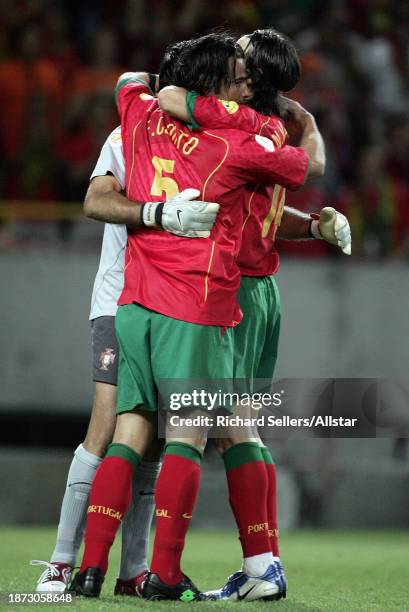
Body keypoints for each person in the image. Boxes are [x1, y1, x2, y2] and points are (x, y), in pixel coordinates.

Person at [70, 32, 315, 601]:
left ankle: (87, 568)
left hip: (134, 303)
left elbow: (128, 82)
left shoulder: (136, 119)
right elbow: (303, 166)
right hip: (203, 300)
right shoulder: (235, 142)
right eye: (235, 73)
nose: (244, 81)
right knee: (203, 431)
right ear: (214, 90)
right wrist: (299, 127)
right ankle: (176, 573)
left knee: (130, 431)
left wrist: (167, 89)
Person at [157, 28, 350, 601]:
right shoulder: (272, 131)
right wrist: (307, 123)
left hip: (228, 287)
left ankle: (173, 572)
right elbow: (301, 173)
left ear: (254, 75)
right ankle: (263, 566)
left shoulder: (230, 120)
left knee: (195, 424)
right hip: (262, 291)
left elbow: (167, 94)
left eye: (241, 55)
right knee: (239, 425)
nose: (232, 60)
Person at [31, 133, 220, 594]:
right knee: (106, 427)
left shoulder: (205, 137)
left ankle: (132, 570)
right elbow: (96, 199)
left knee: (151, 440)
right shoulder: (131, 130)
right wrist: (156, 213)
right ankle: (60, 563)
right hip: (120, 301)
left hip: (170, 305)